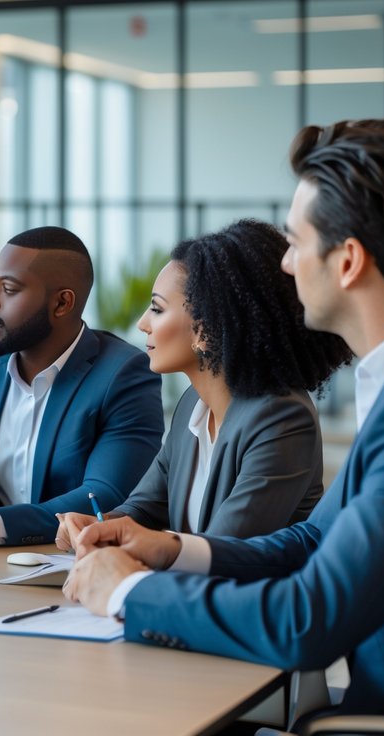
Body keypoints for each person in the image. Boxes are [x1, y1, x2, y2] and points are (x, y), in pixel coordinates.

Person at [62, 118, 384, 717]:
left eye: (297, 242)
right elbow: (314, 540)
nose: (285, 265)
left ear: (349, 261)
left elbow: (305, 620)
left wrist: (128, 591)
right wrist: (171, 549)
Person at [55, 220, 351, 546]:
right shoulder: (190, 408)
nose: (142, 323)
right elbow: (145, 508)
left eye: (156, 309)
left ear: (204, 330)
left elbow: (226, 548)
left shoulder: (282, 419)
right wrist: (99, 526)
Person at [0, 227, 165, 546]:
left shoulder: (123, 374)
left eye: (10, 289)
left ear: (62, 303)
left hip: (70, 567)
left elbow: (105, 496)